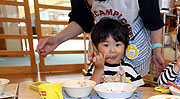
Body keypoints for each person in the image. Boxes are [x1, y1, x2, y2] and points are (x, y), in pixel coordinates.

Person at [36, 0, 166, 77]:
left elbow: (153, 21)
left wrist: (157, 51)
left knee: (131, 81)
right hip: (102, 42)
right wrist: (56, 40)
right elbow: (82, 20)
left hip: (135, 45)